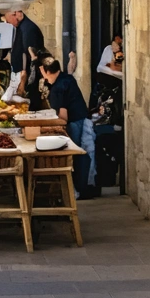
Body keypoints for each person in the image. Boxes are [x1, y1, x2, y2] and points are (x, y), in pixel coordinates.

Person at [40, 57, 94, 197]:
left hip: (74, 123)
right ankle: (83, 187)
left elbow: (63, 118)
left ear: (47, 71)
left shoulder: (58, 88)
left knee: (72, 155)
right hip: (82, 118)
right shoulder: (68, 78)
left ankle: (75, 189)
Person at [5, 7, 45, 106]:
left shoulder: (28, 29)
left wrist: (23, 80)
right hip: (21, 75)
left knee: (29, 104)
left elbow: (29, 55)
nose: (10, 24)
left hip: (28, 77)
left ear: (15, 14)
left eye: (9, 22)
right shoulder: (21, 27)